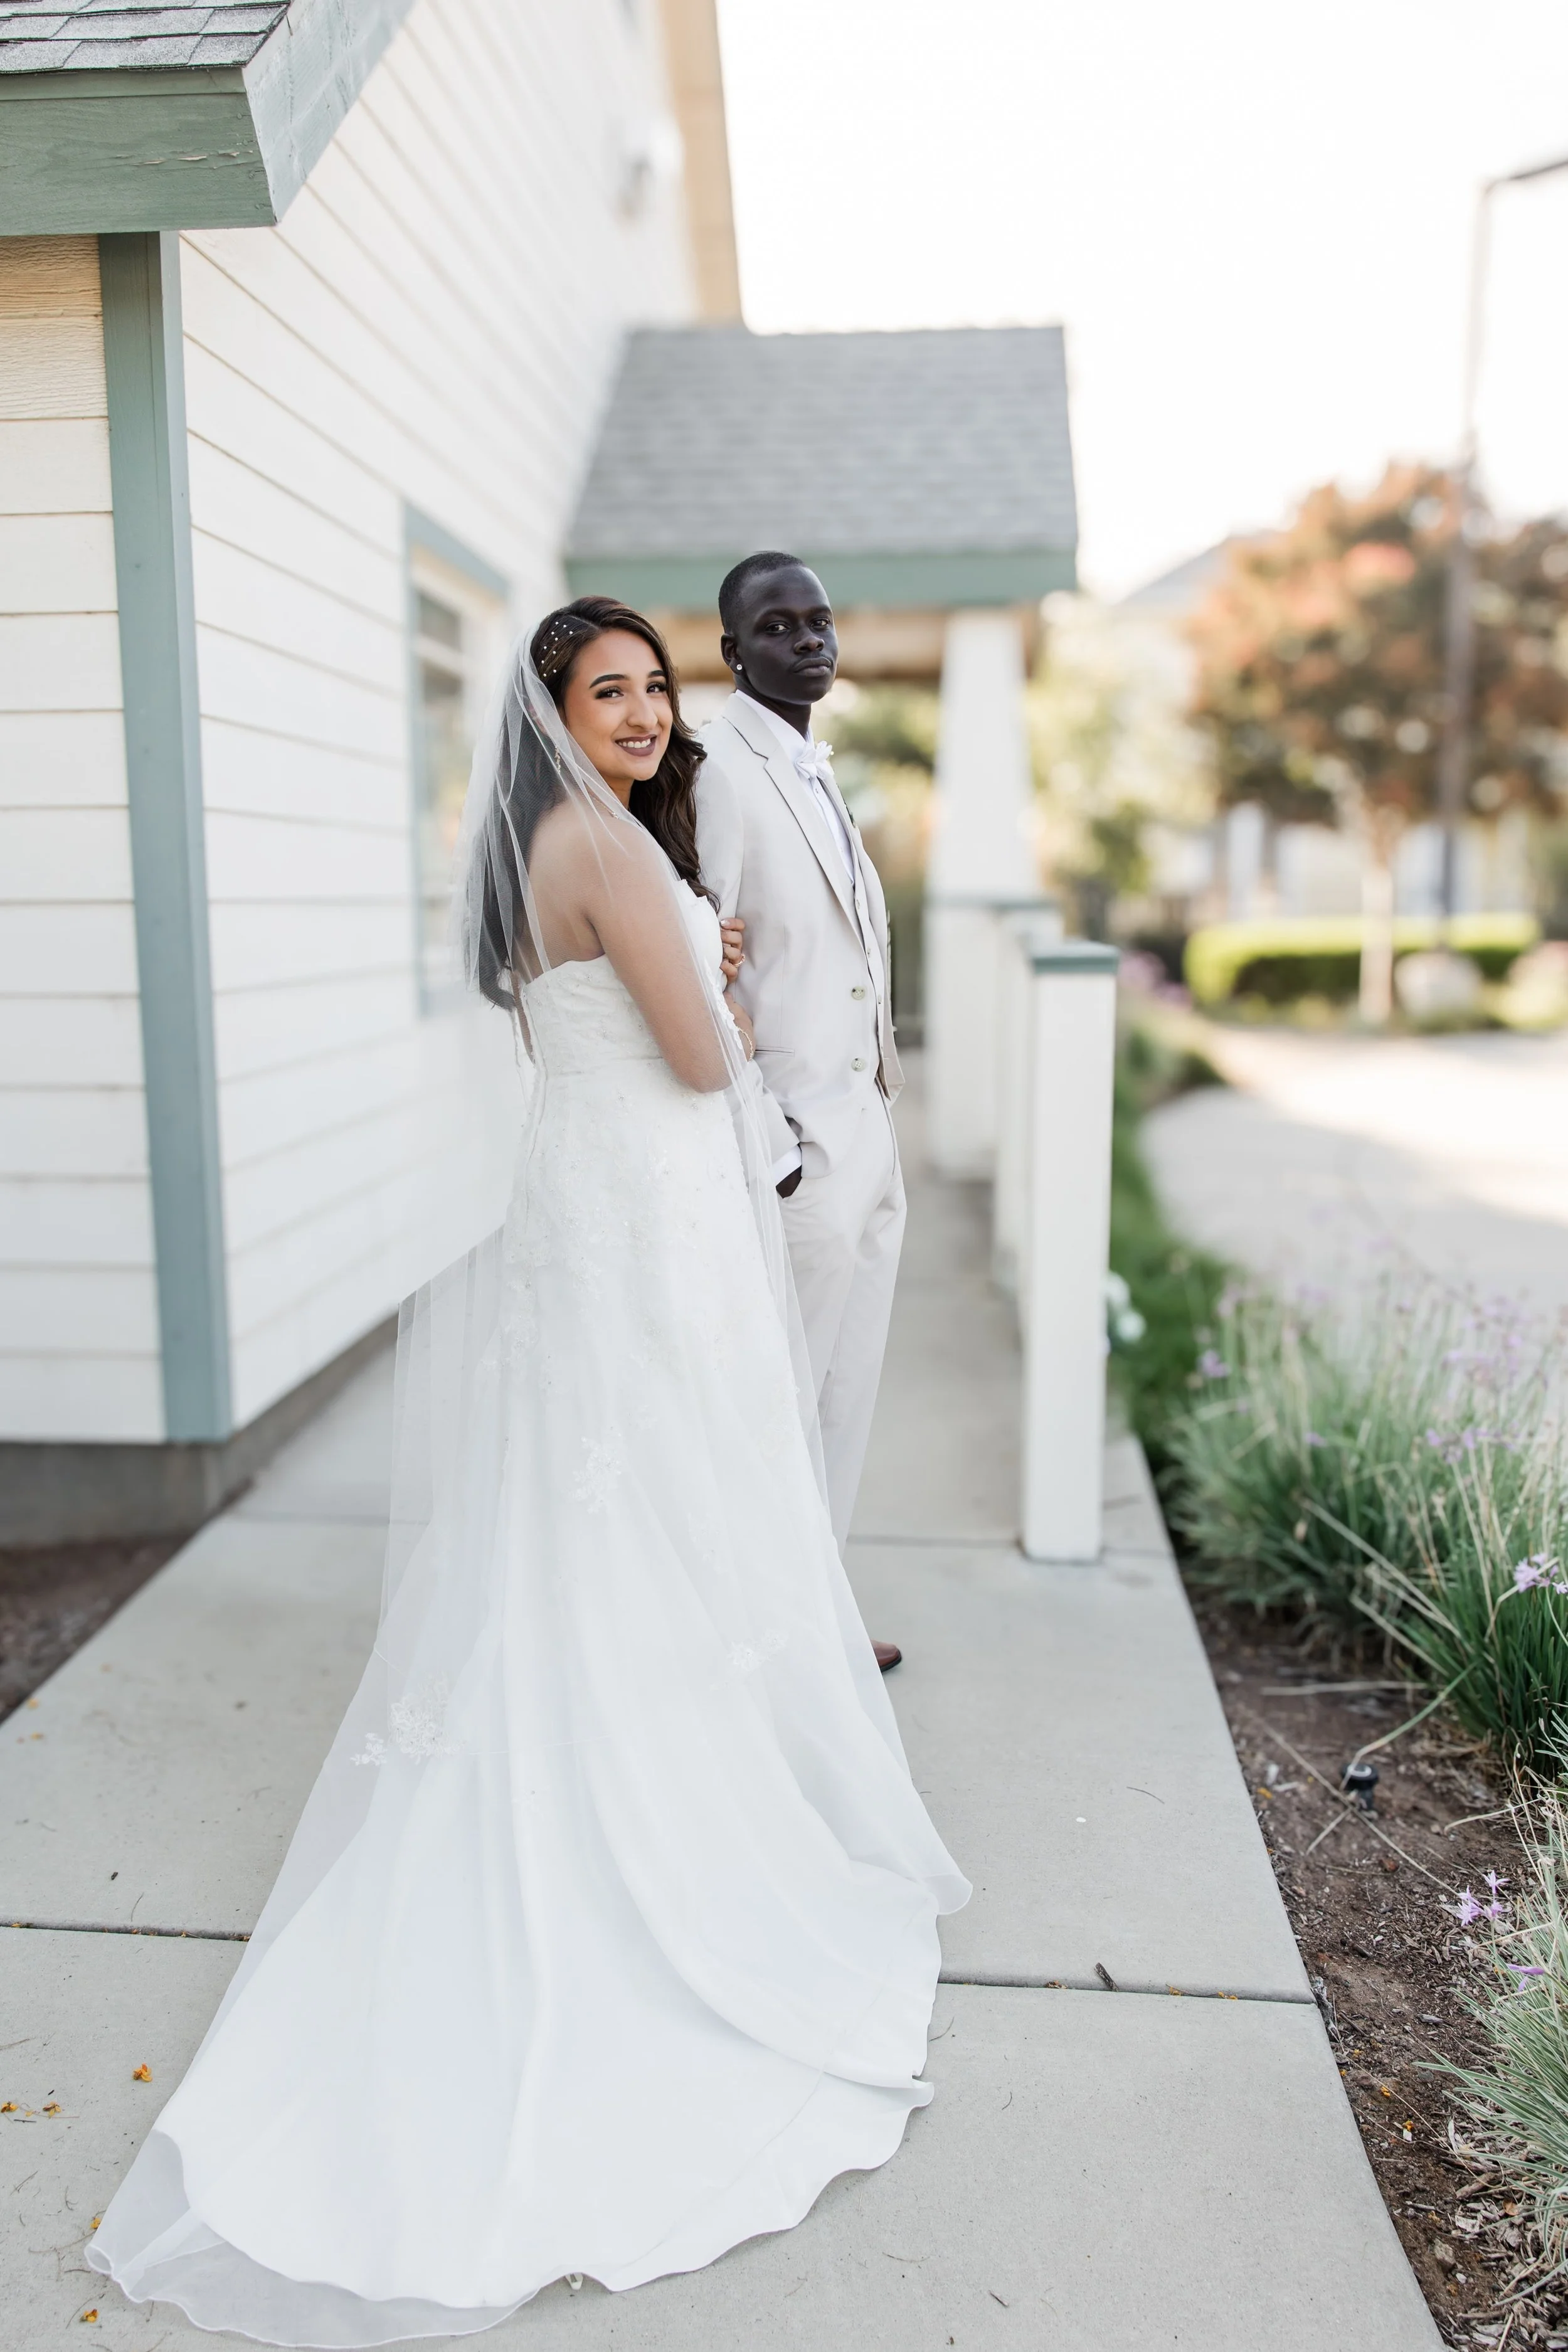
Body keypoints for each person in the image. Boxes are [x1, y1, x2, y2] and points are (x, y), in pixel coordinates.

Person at [87, 598, 967, 2348]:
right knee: (656, 1501)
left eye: (652, 687)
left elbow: (577, 1033)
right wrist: (711, 965)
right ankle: (654, 1832)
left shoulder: (543, 847)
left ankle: (630, 1744)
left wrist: (685, 954)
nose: (643, 713)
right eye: (610, 690)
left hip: (600, 1203)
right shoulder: (603, 841)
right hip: (644, 1222)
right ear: (559, 713)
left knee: (611, 1513)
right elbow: (707, 1058)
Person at [696, 556, 906, 1665]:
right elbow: (702, 957)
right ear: (734, 652)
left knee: (845, 1392)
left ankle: (815, 1608)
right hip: (801, 1143)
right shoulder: (723, 770)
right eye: (779, 627)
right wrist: (774, 1141)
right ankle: (767, 1627)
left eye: (821, 621)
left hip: (868, 1126)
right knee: (784, 1394)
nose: (809, 641)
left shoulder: (813, 762)